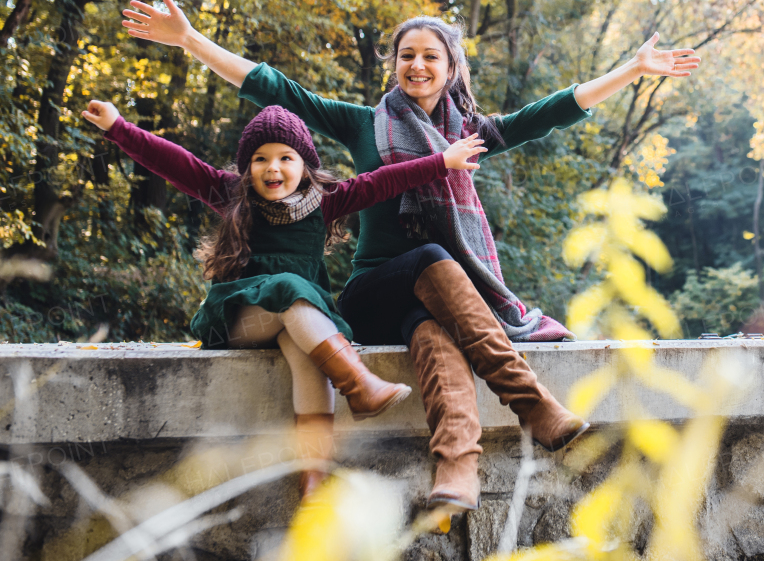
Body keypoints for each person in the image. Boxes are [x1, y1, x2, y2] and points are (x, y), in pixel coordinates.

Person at [122, 0, 700, 526]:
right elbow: (275, 86)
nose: (417, 66)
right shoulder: (364, 123)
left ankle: (457, 469)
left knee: (430, 333)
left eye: (430, 57)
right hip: (371, 293)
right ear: (393, 64)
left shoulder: (469, 133)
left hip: (441, 295)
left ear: (451, 69)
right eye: (406, 55)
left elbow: (546, 113)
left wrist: (632, 70)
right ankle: (532, 403)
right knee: (427, 256)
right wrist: (190, 39)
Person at [82, 99, 485, 501]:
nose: (272, 168)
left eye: (285, 158)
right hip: (241, 321)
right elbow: (173, 161)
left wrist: (442, 161)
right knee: (290, 288)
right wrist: (118, 126)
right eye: (260, 159)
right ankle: (357, 381)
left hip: (297, 321)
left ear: (304, 164)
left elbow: (383, 180)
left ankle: (314, 478)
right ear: (247, 168)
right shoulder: (230, 193)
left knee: (306, 358)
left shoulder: (326, 201)